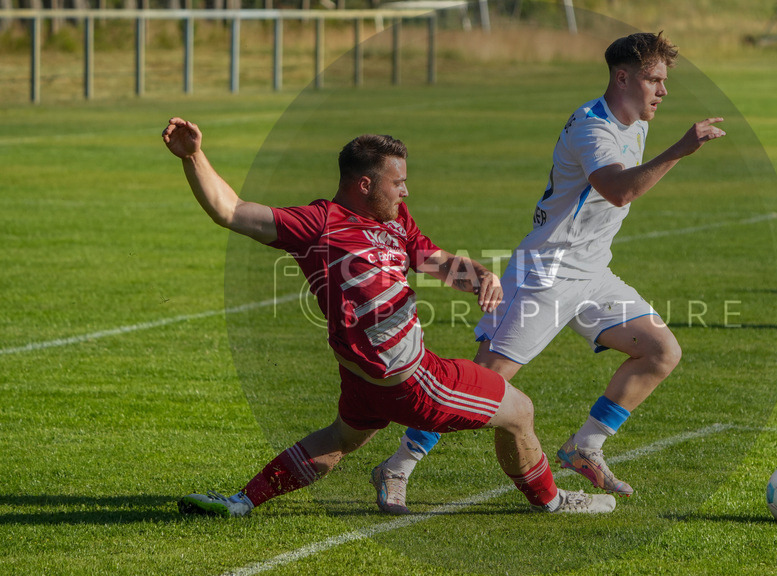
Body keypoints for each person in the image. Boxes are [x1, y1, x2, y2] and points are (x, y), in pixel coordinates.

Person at [161, 117, 616, 516]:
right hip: (409, 378)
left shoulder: (396, 221)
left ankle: (241, 502)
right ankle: (553, 501)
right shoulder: (320, 224)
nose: (405, 190)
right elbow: (232, 210)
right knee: (520, 410)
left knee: (341, 437)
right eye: (397, 182)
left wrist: (478, 275)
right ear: (364, 184)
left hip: (363, 377)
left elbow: (433, 259)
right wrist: (194, 156)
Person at [372, 31, 726, 513]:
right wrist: (678, 151)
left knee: (661, 351)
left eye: (665, 81)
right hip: (545, 274)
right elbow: (617, 190)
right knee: (480, 385)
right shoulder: (591, 128)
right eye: (654, 80)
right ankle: (397, 465)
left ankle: (586, 447)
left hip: (593, 273)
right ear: (622, 78)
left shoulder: (637, 120)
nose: (663, 91)